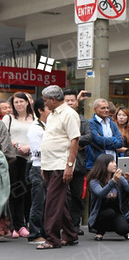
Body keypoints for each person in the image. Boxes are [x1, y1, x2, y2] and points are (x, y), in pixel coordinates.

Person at [38, 85, 81, 250]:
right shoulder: (52, 115)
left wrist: (69, 165)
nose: (44, 102)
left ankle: (52, 239)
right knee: (58, 202)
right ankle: (70, 234)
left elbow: (74, 140)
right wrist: (44, 165)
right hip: (49, 163)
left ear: (53, 99)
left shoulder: (70, 114)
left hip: (60, 164)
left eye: (46, 99)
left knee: (52, 202)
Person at [2, 92, 34, 238]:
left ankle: (22, 224)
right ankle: (12, 225)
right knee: (12, 191)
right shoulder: (8, 118)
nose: (19, 104)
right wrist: (15, 145)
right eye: (16, 102)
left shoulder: (34, 118)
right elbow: (4, 137)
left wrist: (29, 147)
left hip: (30, 159)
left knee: (24, 192)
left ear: (27, 102)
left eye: (22, 101)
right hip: (13, 159)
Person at [87, 154, 129, 240]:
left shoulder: (119, 178)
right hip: (99, 216)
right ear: (103, 165)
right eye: (112, 162)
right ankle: (100, 231)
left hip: (116, 213)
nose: (115, 164)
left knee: (124, 229)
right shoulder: (94, 181)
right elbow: (100, 193)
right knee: (109, 213)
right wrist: (113, 181)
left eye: (115, 162)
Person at [64, 89, 92, 235]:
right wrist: (74, 143)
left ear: (76, 102)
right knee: (63, 196)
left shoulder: (82, 120)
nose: (69, 103)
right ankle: (65, 225)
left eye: (72, 100)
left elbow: (89, 137)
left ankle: (75, 224)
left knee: (77, 196)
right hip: (62, 163)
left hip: (79, 165)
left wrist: (74, 142)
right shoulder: (58, 118)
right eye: (67, 100)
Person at [26, 97, 50, 244]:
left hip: (49, 167)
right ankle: (34, 233)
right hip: (38, 167)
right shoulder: (35, 128)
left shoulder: (49, 125)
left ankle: (46, 231)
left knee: (48, 201)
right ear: (40, 110)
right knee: (38, 201)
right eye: (48, 108)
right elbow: (37, 152)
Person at [86, 98, 123, 170]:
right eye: (103, 108)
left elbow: (120, 143)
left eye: (107, 108)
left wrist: (105, 140)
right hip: (98, 165)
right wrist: (114, 139)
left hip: (114, 164)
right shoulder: (91, 123)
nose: (106, 110)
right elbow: (98, 141)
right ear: (95, 109)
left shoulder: (112, 123)